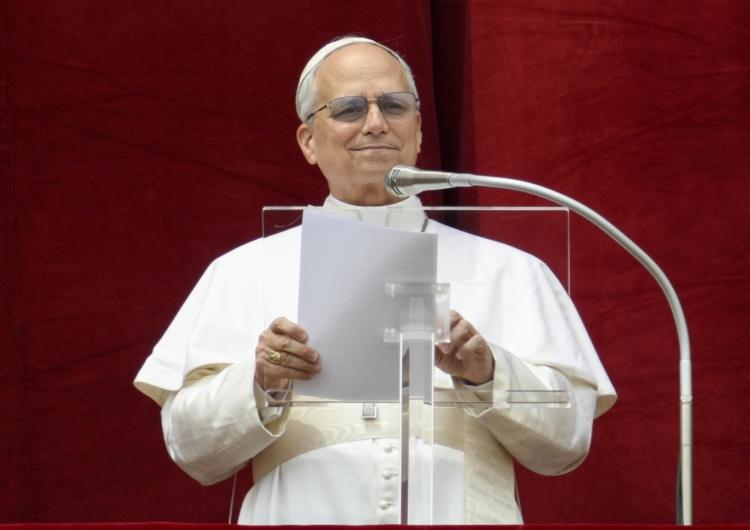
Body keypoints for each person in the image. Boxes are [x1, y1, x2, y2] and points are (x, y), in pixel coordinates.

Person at [134, 36, 616, 524]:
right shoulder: (242, 271)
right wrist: (261, 381)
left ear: (419, 131)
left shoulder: (511, 271)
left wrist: (489, 373)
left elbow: (567, 443)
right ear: (308, 141)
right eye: (348, 109)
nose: (375, 123)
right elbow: (190, 448)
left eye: (394, 106)